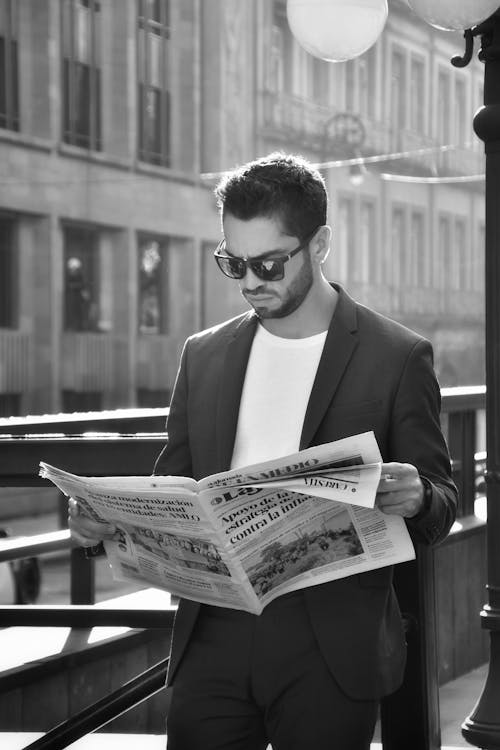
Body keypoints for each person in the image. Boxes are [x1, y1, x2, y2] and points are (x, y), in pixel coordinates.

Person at [69, 152, 457, 750]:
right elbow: (171, 490)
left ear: (319, 244)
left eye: (270, 264)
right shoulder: (204, 355)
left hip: (331, 646)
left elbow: (442, 503)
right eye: (234, 263)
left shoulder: (397, 357)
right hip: (213, 639)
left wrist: (418, 495)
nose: (251, 282)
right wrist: (104, 527)